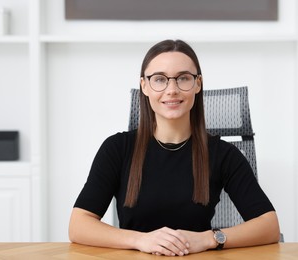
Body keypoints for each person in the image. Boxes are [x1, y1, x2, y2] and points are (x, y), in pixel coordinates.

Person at [69, 39, 280, 256]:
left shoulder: (222, 154)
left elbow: (269, 225)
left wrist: (208, 238)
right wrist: (141, 240)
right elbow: (79, 225)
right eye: (159, 79)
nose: (172, 89)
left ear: (197, 84)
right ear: (144, 86)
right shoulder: (117, 149)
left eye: (183, 78)